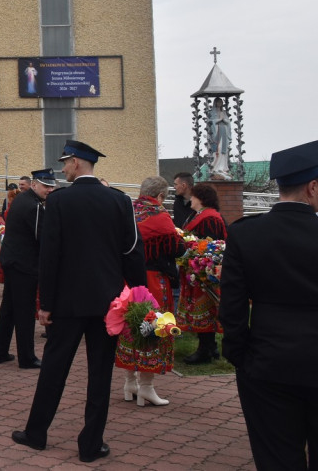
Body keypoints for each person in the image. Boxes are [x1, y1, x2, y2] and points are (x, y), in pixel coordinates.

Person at [12, 140, 144, 464]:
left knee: (54, 369)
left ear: (77, 163)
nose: (63, 169)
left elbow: (50, 256)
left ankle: (36, 433)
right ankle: (90, 444)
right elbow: (132, 253)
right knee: (100, 374)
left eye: (66, 163)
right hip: (108, 304)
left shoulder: (58, 202)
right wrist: (139, 297)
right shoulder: (120, 201)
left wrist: (46, 304)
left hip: (68, 303)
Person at [219, 140, 318, 471]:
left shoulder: (247, 234)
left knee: (276, 457)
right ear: (313, 187)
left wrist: (240, 355)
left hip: (266, 361)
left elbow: (231, 307)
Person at [115, 176, 186, 406]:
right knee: (153, 328)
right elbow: (176, 248)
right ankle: (146, 387)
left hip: (128, 283)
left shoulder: (127, 211)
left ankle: (130, 384)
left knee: (130, 328)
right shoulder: (159, 216)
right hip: (154, 281)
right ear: (160, 196)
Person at [0, 168, 55, 369]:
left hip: (11, 261)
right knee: (25, 312)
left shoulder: (21, 199)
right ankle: (27, 358)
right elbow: (43, 237)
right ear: (35, 184)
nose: (49, 190)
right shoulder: (35, 206)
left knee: (9, 309)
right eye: (46, 186)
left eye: (52, 187)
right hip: (24, 265)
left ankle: (0, 352)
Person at [177, 183, 228, 365]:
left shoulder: (210, 218)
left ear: (201, 198)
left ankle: (205, 350)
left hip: (203, 272)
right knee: (202, 310)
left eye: (193, 196)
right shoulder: (198, 216)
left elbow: (211, 245)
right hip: (195, 270)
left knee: (206, 310)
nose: (190, 199)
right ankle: (209, 346)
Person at [207, 98, 232, 178]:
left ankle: (223, 167)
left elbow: (228, 122)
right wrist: (219, 120)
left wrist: (224, 120)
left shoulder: (223, 112)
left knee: (224, 150)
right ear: (215, 103)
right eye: (218, 102)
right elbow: (211, 122)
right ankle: (215, 168)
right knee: (218, 149)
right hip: (216, 133)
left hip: (223, 131)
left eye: (221, 102)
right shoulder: (212, 112)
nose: (220, 103)